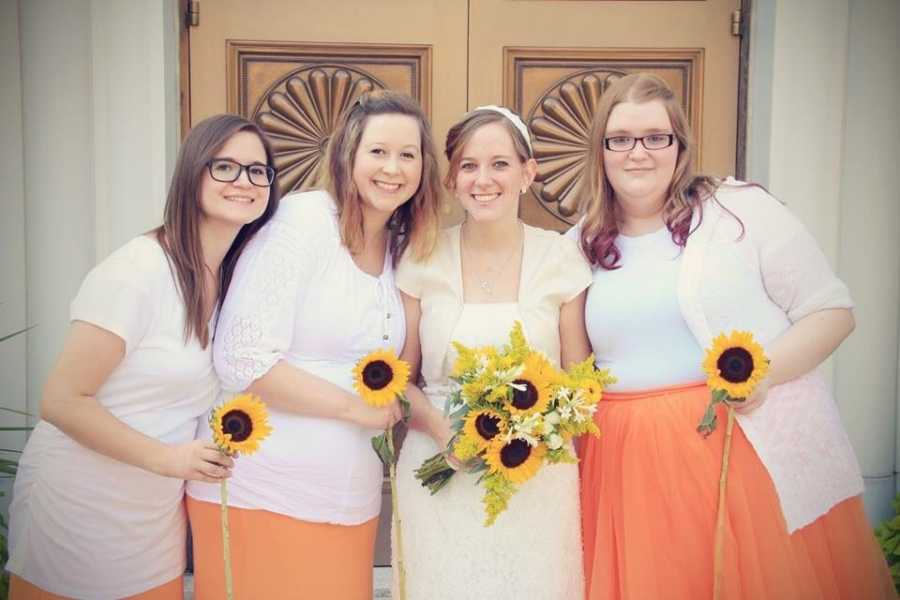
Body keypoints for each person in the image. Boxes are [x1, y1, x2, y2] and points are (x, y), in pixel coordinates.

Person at [571, 73, 894, 600]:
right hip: (621, 468)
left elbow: (831, 311)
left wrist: (761, 377)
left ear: (680, 145)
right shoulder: (580, 242)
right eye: (621, 138)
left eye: (656, 137)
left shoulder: (739, 212)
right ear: (601, 151)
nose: (638, 152)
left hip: (731, 453)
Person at [6, 114, 279, 599]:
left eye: (258, 171)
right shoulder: (137, 271)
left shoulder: (231, 278)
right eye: (227, 167)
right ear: (193, 173)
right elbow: (62, 400)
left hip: (153, 517)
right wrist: (168, 458)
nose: (244, 181)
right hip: (81, 507)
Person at [185, 90, 442, 599]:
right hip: (264, 489)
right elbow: (241, 357)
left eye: (407, 155)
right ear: (348, 155)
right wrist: (354, 410)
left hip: (349, 497)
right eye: (378, 151)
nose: (393, 168)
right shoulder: (301, 223)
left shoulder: (400, 246)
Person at [394, 106, 593, 599]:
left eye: (500, 164)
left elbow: (581, 381)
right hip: (439, 469)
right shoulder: (421, 256)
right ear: (451, 179)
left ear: (528, 173)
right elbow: (398, 379)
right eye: (468, 165)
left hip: (536, 477)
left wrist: (527, 429)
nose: (483, 179)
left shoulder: (561, 258)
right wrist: (446, 433)